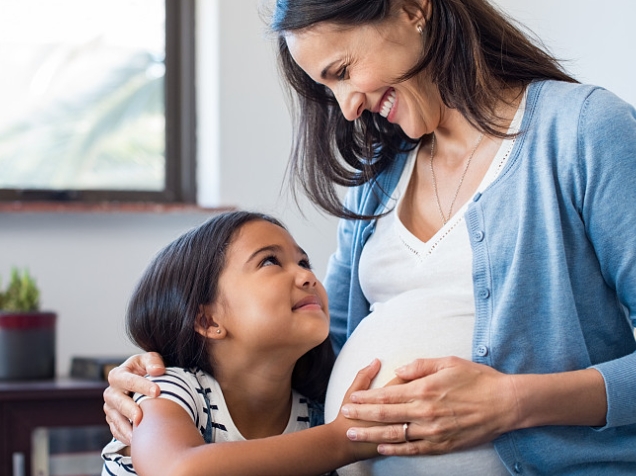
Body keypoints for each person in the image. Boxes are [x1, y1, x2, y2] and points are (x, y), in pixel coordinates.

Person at [104, 0, 636, 474]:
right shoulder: (378, 182)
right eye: (326, 88)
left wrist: (514, 402)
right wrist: (165, 381)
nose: (346, 107)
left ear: (411, 8)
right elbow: (317, 349)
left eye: (343, 71)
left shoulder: (582, 131)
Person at [100, 211, 382, 476]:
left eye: (304, 263)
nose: (307, 277)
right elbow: (176, 470)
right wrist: (342, 441)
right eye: (270, 261)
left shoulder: (316, 415)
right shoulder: (170, 392)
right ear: (208, 321)